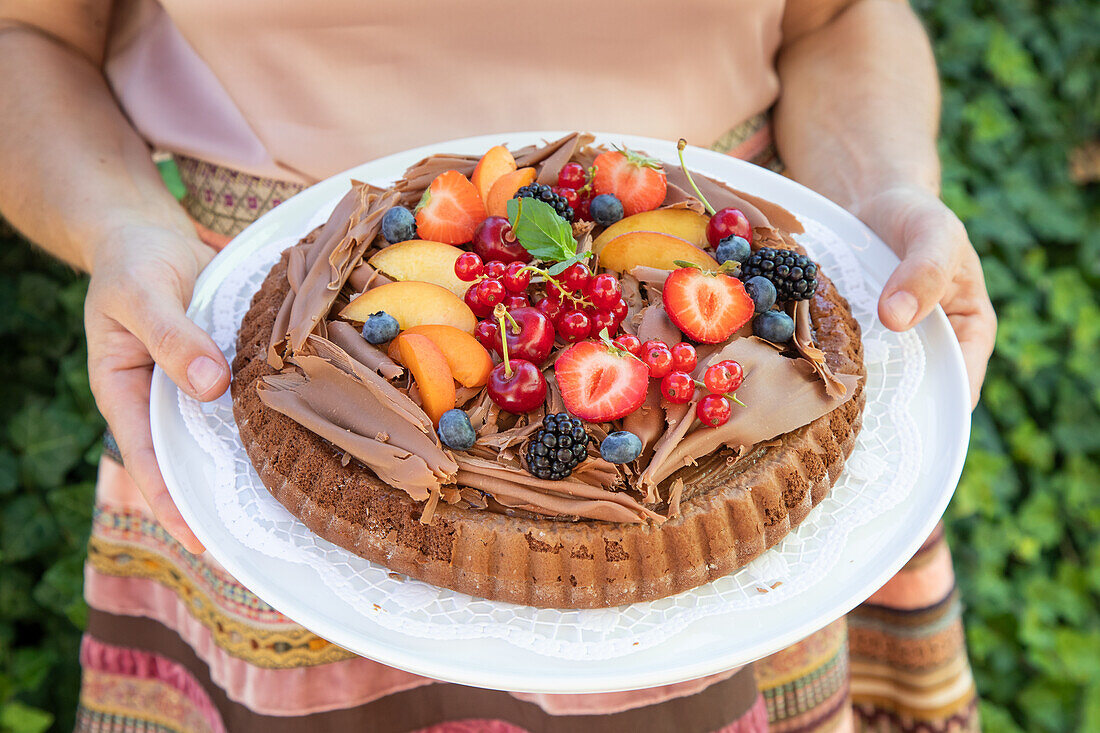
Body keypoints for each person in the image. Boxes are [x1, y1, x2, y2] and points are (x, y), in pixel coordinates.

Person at [0, 0, 996, 730]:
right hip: (295, 357)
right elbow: (30, 36)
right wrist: (124, 228)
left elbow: (838, 19)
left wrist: (877, 197)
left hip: (725, 361)